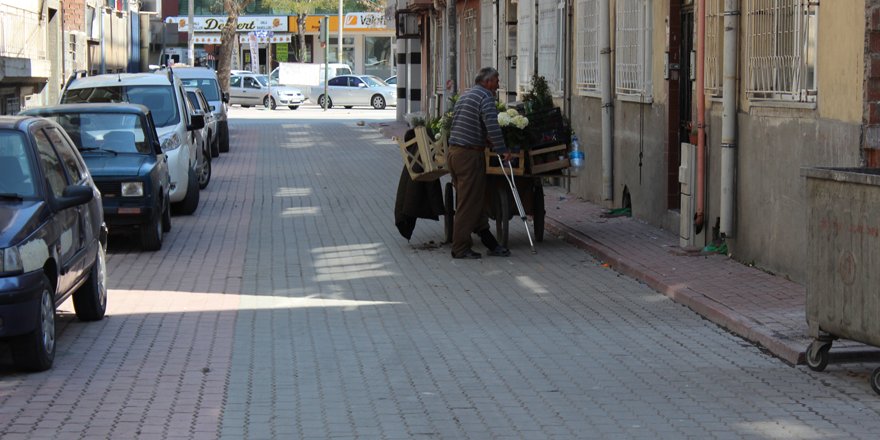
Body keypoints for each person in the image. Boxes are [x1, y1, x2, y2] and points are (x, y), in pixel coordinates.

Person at [447, 67, 513, 259]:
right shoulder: (485, 98)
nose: (499, 84)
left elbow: (462, 122)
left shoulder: (467, 95)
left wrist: (483, 138)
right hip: (469, 156)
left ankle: (490, 243)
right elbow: (492, 126)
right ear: (488, 82)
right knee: (467, 204)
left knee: (472, 200)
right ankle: (460, 248)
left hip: (455, 153)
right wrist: (503, 150)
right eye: (497, 80)